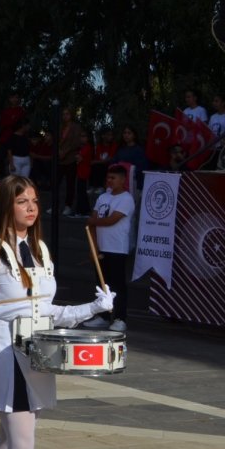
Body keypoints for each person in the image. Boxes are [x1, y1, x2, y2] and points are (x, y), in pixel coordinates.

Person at [0, 175, 114, 449]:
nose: (31, 207)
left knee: (11, 438)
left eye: (34, 201)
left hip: (36, 356)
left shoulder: (39, 248)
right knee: (23, 441)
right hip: (5, 357)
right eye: (21, 201)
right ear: (5, 206)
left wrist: (92, 308)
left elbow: (46, 309)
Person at [84, 165, 135, 332]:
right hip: (102, 246)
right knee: (102, 283)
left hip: (117, 248)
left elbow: (111, 220)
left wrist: (92, 221)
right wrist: (94, 246)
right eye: (109, 178)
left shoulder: (126, 199)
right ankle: (103, 316)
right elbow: (93, 220)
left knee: (118, 284)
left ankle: (120, 318)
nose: (110, 181)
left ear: (122, 180)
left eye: (114, 178)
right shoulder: (103, 197)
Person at [57, 109, 83, 216]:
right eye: (63, 114)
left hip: (71, 158)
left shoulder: (76, 127)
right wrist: (59, 151)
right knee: (56, 183)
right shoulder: (60, 127)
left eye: (67, 113)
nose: (65, 116)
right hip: (60, 159)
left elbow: (76, 142)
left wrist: (65, 152)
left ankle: (68, 205)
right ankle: (55, 205)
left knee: (70, 184)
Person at [113, 126, 149, 190]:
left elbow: (142, 167)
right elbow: (114, 162)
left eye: (129, 133)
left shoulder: (139, 150)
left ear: (134, 135)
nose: (126, 135)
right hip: (120, 182)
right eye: (124, 133)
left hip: (134, 183)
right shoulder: (120, 149)